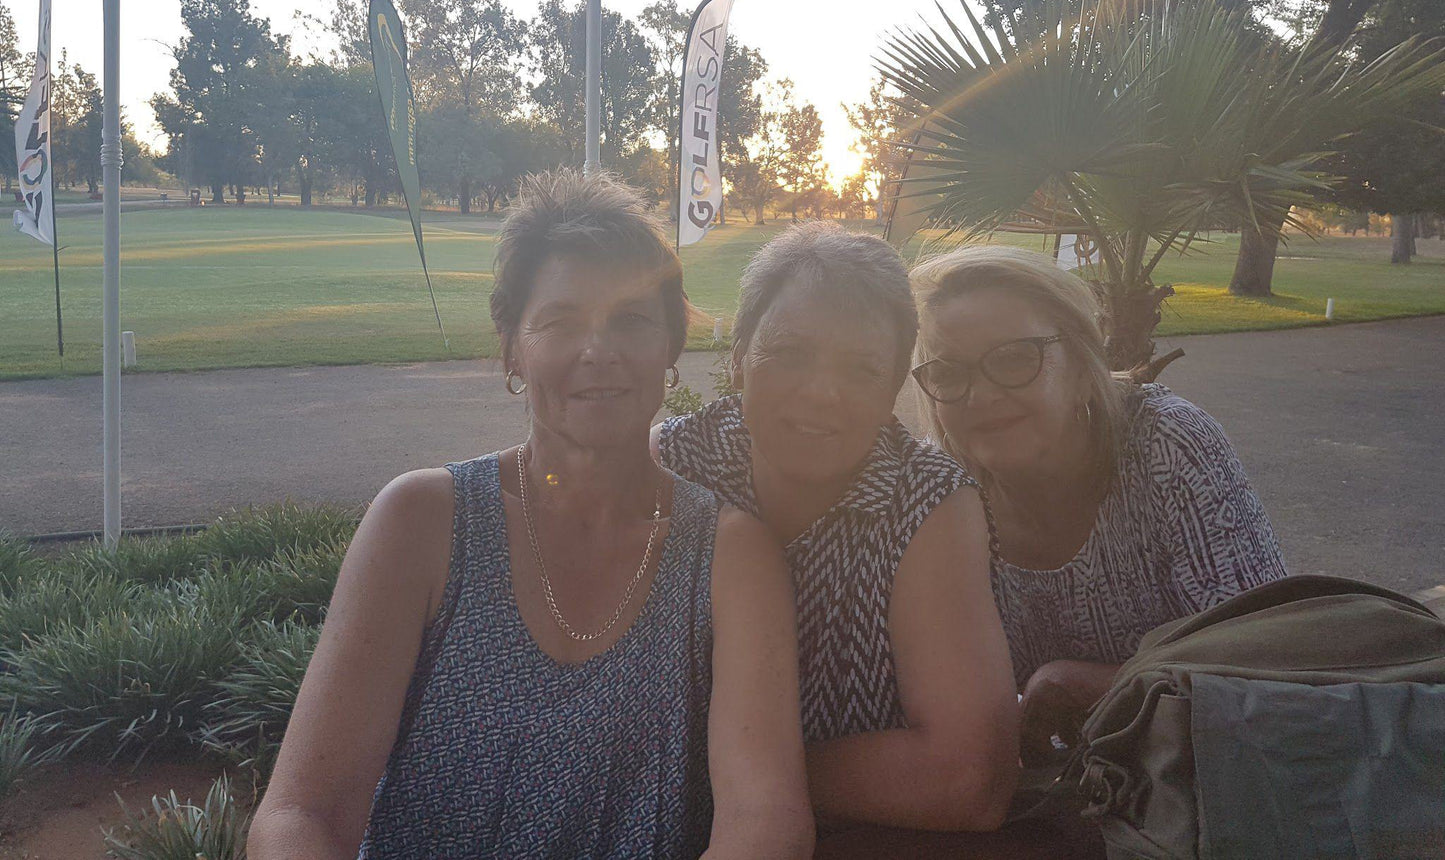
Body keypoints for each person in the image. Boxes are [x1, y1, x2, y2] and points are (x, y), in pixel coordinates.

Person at [250, 171, 813, 860]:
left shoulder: (729, 556)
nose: (597, 350)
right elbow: (303, 811)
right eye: (561, 321)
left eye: (631, 319)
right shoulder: (422, 523)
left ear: (670, 346)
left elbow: (764, 817)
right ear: (512, 348)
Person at [656, 223, 1019, 834]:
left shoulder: (928, 501)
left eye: (861, 369)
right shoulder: (674, 467)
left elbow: (968, 778)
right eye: (790, 353)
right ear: (739, 357)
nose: (822, 393)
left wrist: (750, 784)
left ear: (894, 386)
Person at [909, 245, 1288, 763]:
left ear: (1085, 365)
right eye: (949, 373)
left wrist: (1090, 684)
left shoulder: (1167, 445)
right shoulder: (939, 491)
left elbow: (1272, 663)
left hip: (1207, 780)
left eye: (1016, 358)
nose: (980, 396)